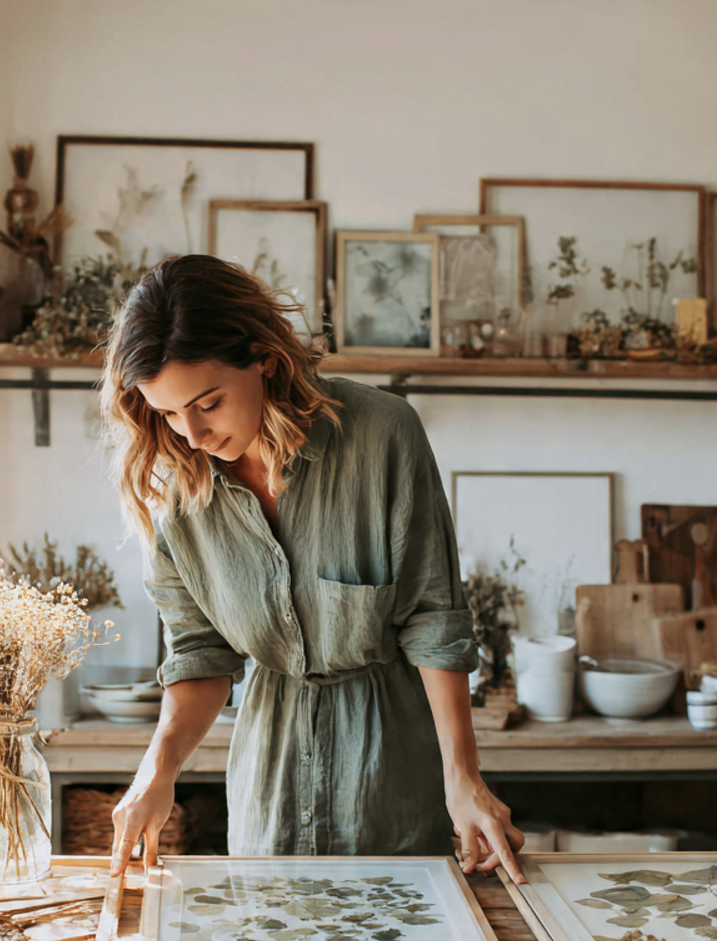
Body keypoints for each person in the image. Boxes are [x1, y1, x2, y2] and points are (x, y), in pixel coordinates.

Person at [101, 255, 523, 881]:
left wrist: (462, 777)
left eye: (208, 402)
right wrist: (156, 770)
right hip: (266, 793)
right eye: (166, 413)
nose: (190, 434)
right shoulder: (179, 492)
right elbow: (200, 654)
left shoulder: (384, 434)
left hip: (392, 781)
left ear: (264, 358)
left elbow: (434, 620)